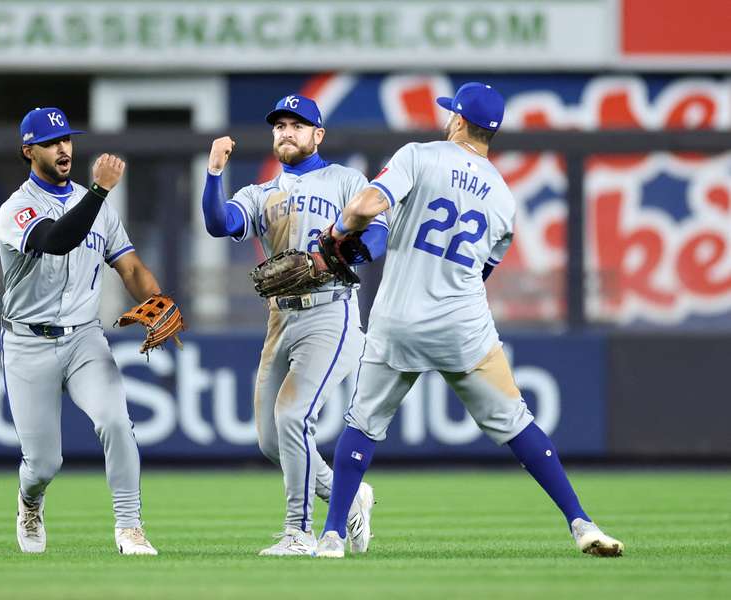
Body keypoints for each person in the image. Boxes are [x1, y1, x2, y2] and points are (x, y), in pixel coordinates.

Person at [314, 83, 624, 558]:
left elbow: (364, 207)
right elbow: (481, 273)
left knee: (362, 423)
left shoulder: (420, 155)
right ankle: (581, 522)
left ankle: (334, 535)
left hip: (399, 319)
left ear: (458, 120)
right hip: (462, 325)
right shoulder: (504, 199)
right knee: (518, 424)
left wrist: (337, 232)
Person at [202, 95, 387, 555]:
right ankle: (351, 497)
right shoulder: (261, 192)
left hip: (331, 310)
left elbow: (380, 234)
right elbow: (219, 223)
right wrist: (214, 174)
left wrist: (340, 256)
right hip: (280, 318)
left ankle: (299, 532)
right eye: (280, 125)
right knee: (272, 441)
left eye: (298, 125)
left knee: (293, 416)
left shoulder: (345, 180)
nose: (287, 131)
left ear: (317, 135)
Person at [0, 107, 160, 556]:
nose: (64, 148)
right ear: (29, 151)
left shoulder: (99, 209)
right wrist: (100, 189)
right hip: (28, 342)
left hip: (85, 338)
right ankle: (30, 500)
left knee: (116, 422)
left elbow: (130, 266)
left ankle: (130, 527)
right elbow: (56, 239)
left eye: (67, 138)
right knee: (44, 463)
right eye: (51, 142)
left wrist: (158, 306)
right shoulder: (17, 208)